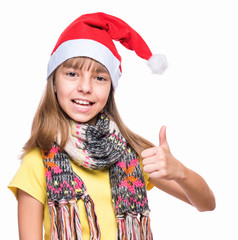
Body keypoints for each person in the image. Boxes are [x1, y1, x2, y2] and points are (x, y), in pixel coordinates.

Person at [8, 12, 215, 240]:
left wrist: (180, 172)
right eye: (72, 74)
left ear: (111, 87)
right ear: (54, 82)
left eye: (99, 78)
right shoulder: (37, 162)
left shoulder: (131, 154)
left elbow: (207, 204)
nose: (85, 87)